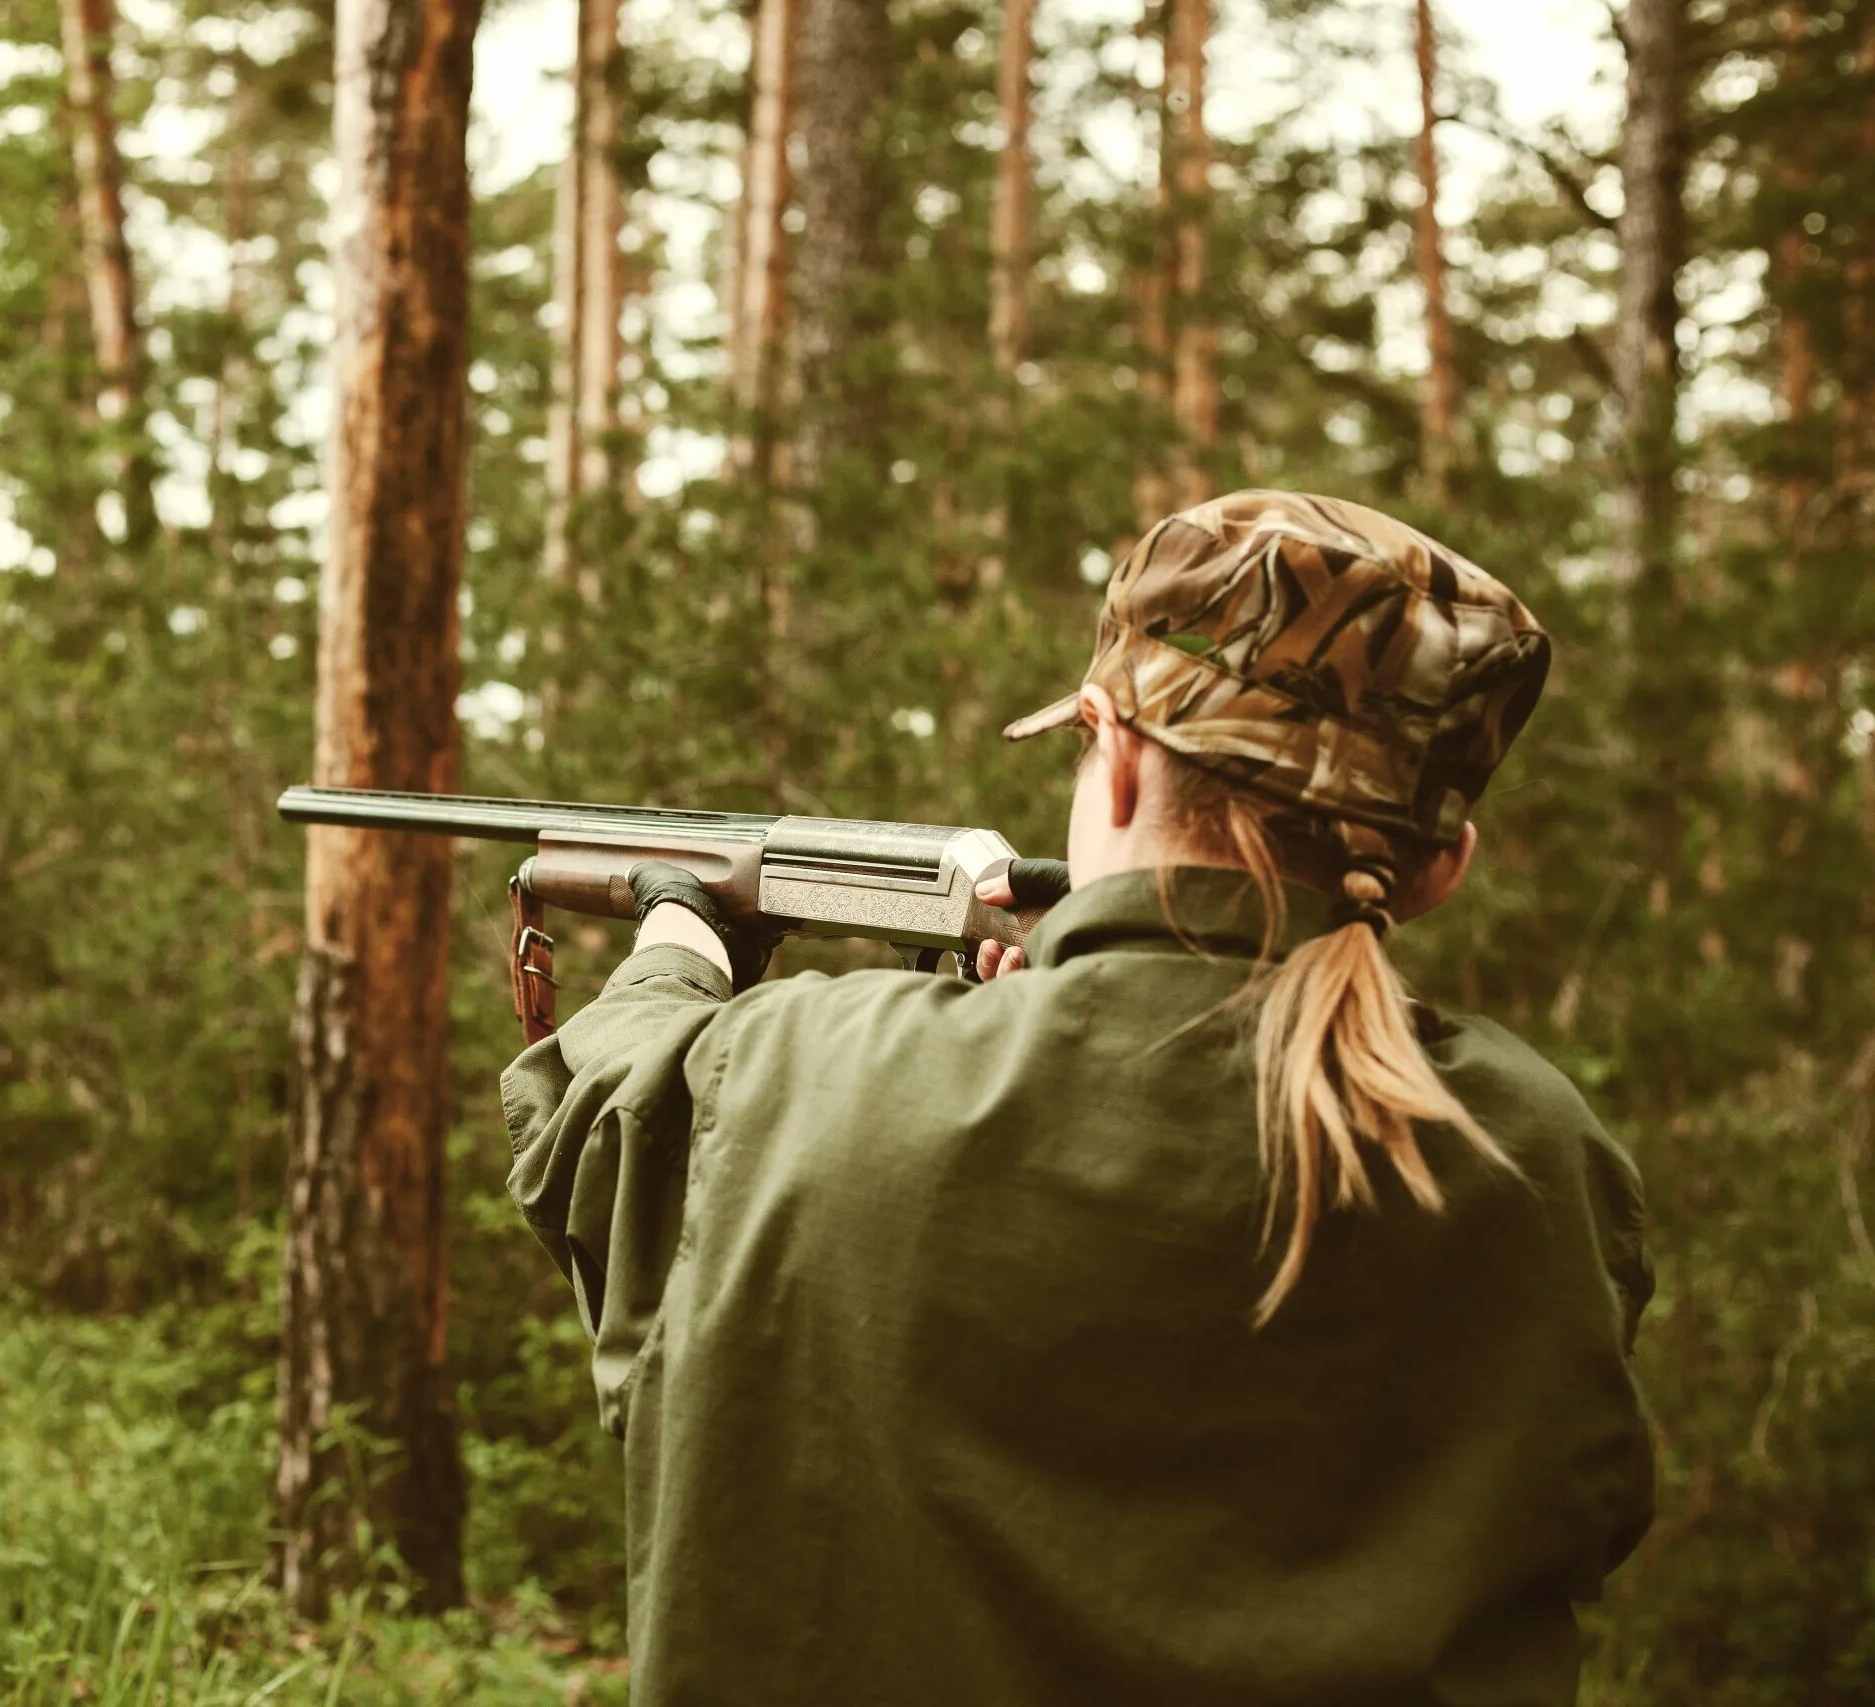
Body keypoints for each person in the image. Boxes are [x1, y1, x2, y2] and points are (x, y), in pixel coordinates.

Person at [500, 492, 1654, 1706]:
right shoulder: (1538, 1157)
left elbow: (600, 1110)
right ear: (1439, 869)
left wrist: (678, 940)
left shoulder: (798, 1074)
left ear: (1112, 753)